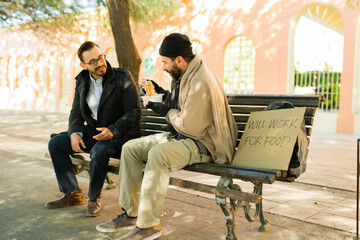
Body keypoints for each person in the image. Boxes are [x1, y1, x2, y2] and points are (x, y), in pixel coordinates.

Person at [96, 33, 238, 239]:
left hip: (205, 143)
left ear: (179, 59)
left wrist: (166, 112)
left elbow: (192, 127)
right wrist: (160, 97)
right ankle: (131, 214)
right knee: (130, 149)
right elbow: (180, 105)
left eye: (165, 62)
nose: (163, 67)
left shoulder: (201, 80)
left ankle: (150, 224)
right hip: (183, 136)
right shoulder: (185, 74)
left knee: (159, 154)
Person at [45, 41, 141, 217]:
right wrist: (74, 133)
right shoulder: (81, 81)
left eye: (101, 57)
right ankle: (72, 193)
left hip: (120, 136)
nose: (100, 63)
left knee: (99, 151)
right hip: (95, 133)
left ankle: (94, 198)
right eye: (93, 62)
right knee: (56, 144)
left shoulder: (122, 77)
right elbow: (75, 113)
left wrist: (113, 130)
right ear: (83, 65)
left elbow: (134, 112)